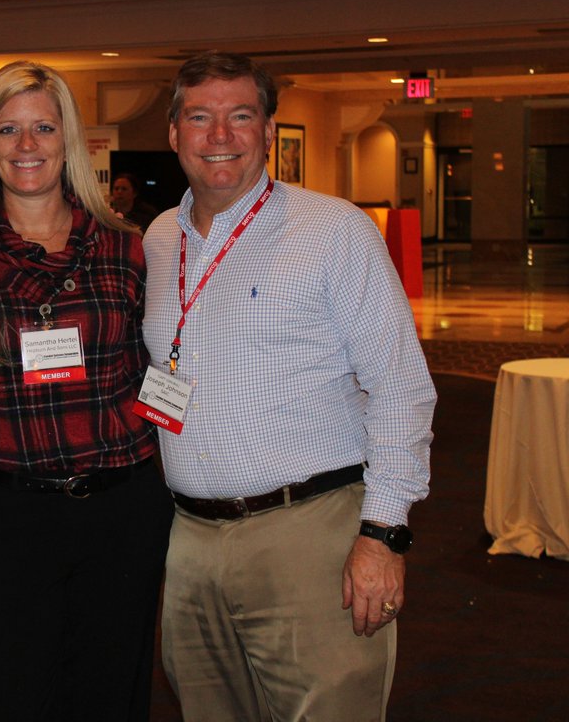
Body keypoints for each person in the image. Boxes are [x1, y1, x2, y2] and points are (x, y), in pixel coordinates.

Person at [141, 51, 436, 721]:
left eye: (241, 116)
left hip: (310, 535)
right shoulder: (159, 239)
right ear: (174, 132)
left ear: (269, 131)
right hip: (191, 542)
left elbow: (401, 388)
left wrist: (383, 535)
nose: (220, 135)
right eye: (200, 117)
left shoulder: (333, 231)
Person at [0, 61, 173, 721]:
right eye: (8, 129)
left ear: (69, 140)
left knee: (112, 693)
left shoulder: (126, 248)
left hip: (121, 509)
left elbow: (164, 363)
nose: (26, 145)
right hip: (11, 515)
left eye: (43, 128)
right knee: (15, 696)